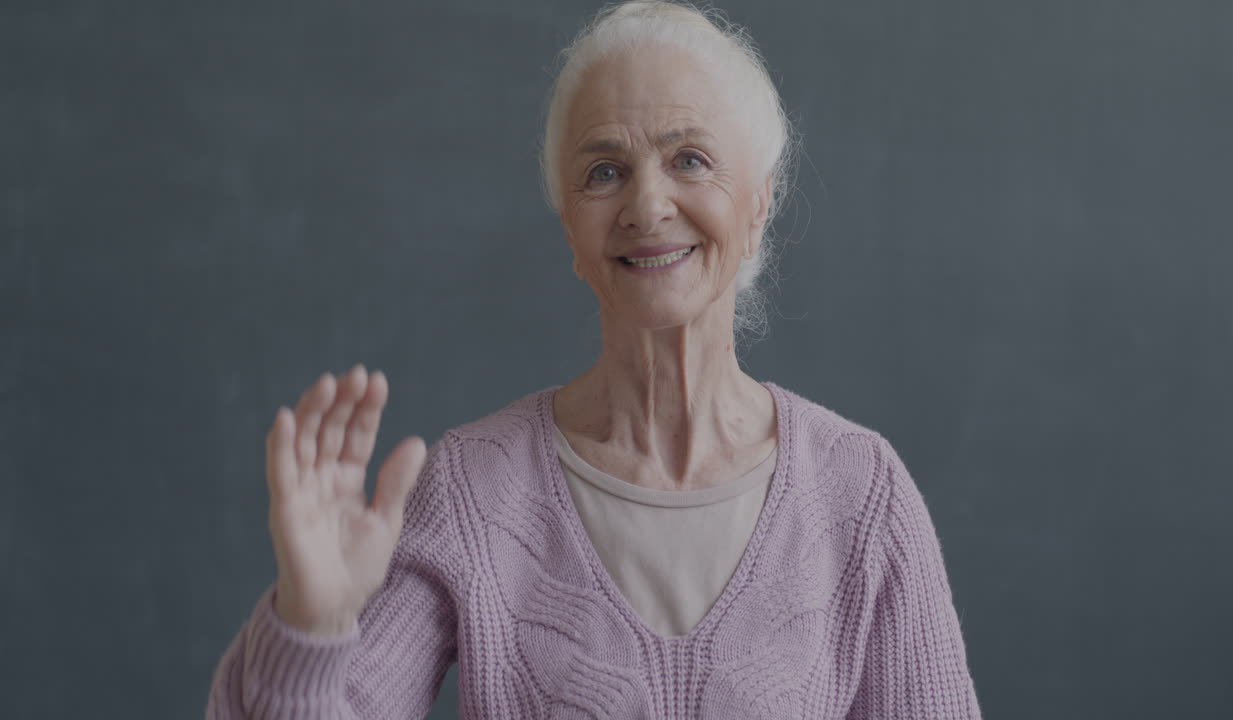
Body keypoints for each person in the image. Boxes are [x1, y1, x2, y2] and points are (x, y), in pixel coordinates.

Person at [205, 1, 983, 717]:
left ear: (759, 204)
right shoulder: (474, 491)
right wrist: (311, 626)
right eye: (604, 171)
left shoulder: (861, 493)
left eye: (690, 160)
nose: (647, 206)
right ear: (570, 227)